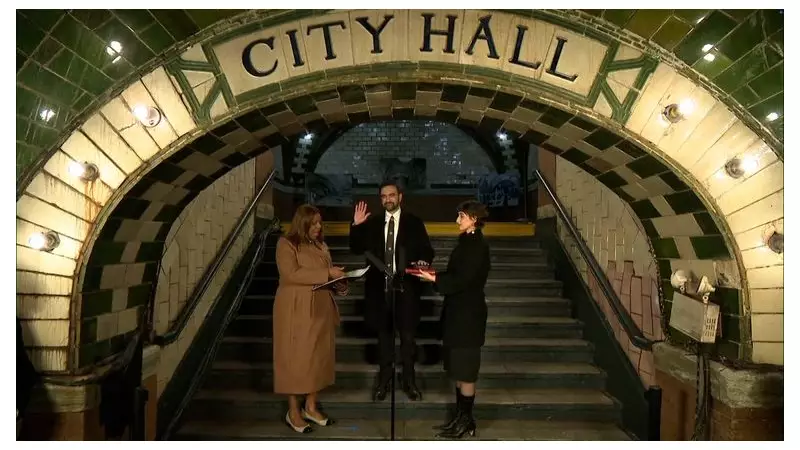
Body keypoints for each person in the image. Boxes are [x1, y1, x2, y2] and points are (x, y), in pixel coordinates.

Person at [349, 180, 434, 401]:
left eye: (391, 195)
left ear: (400, 197)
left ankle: (409, 382)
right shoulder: (374, 222)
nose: (388, 199)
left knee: (407, 339)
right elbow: (356, 248)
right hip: (379, 291)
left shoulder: (414, 222)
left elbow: (427, 250)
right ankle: (383, 382)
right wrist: (357, 225)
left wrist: (423, 261)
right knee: (384, 340)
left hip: (406, 290)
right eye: (384, 196)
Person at [413, 200, 491, 439]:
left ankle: (466, 421)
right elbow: (457, 275)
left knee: (466, 372)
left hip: (468, 316)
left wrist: (435, 279)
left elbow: (462, 280)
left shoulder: (476, 246)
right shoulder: (467, 243)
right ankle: (460, 418)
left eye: (461, 216)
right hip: (459, 314)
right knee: (459, 369)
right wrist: (434, 275)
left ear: (473, 219)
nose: (457, 220)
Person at [273, 204, 349, 434]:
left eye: (320, 222)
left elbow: (326, 277)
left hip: (320, 310)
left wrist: (341, 284)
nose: (318, 227)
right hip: (295, 311)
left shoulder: (321, 245)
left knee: (317, 359)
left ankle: (311, 406)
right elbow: (291, 274)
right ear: (302, 223)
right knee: (296, 360)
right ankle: (293, 410)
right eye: (313, 223)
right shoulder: (286, 244)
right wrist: (328, 273)